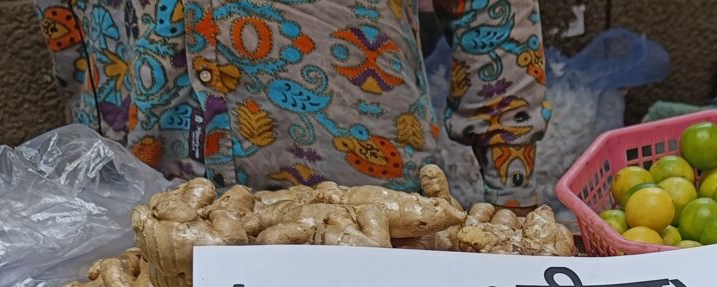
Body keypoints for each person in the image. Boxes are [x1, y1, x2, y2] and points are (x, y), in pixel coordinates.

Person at [35, 0, 550, 207]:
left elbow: (493, 13)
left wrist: (513, 200)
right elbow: (70, 27)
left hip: (364, 189)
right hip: (163, 196)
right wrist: (93, 178)